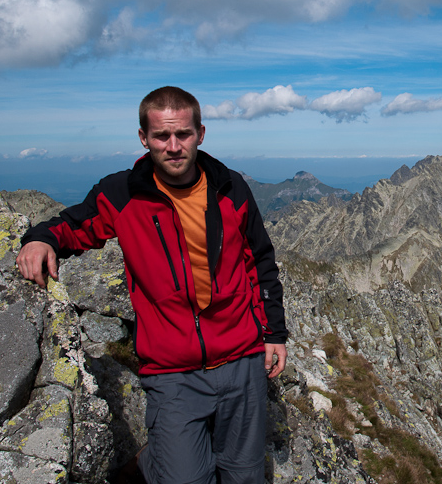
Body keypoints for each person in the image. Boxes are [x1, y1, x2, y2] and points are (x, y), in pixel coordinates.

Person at [17, 86, 287, 484]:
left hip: (241, 358)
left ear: (201, 134)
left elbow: (262, 261)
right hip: (171, 369)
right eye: (162, 136)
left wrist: (273, 333)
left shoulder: (230, 188)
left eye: (184, 134)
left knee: (244, 476)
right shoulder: (123, 193)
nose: (174, 146)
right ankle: (152, 460)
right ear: (144, 138)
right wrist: (41, 239)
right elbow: (75, 224)